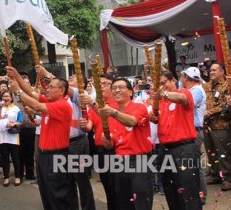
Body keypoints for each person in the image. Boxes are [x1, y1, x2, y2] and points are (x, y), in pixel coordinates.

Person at [7, 66, 78, 210]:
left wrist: (17, 91)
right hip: (44, 156)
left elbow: (36, 105)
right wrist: (17, 76)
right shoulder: (50, 102)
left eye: (51, 87)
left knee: (59, 195)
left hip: (57, 157)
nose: (48, 89)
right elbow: (32, 93)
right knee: (47, 193)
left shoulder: (62, 105)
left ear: (62, 91)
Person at [39, 67, 95, 210]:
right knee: (66, 181)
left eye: (73, 79)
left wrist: (47, 74)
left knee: (81, 179)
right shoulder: (57, 98)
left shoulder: (78, 96)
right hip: (62, 147)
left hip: (77, 145)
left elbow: (65, 87)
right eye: (69, 78)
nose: (70, 80)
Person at [149, 70, 201, 209]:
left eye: (163, 83)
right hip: (164, 150)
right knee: (170, 190)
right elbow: (153, 118)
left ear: (173, 80)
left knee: (188, 190)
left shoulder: (184, 92)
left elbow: (182, 99)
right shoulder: (159, 103)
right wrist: (152, 116)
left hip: (184, 149)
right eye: (158, 85)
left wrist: (163, 94)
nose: (161, 87)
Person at [100, 78, 153, 210]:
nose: (117, 90)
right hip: (120, 162)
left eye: (121, 87)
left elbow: (132, 121)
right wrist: (107, 142)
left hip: (140, 162)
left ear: (130, 92)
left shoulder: (139, 108)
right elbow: (111, 145)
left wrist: (113, 113)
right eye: (114, 88)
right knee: (123, 203)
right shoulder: (112, 115)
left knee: (141, 203)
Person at [79, 74, 119, 210]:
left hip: (114, 151)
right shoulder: (94, 107)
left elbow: (105, 115)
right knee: (107, 186)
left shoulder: (117, 104)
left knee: (117, 188)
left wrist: (91, 102)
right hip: (100, 151)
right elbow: (89, 126)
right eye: (99, 84)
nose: (101, 87)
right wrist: (84, 125)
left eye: (105, 84)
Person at [180, 67, 207, 204]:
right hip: (190, 131)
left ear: (186, 77)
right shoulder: (192, 90)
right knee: (192, 165)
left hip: (194, 131)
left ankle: (200, 196)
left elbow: (186, 103)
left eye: (182, 76)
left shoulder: (196, 91)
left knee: (194, 165)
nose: (180, 79)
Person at [203, 62, 231, 191]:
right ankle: (215, 175)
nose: (211, 72)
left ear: (222, 72)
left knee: (223, 153)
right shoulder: (205, 86)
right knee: (211, 152)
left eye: (214, 70)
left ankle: (227, 178)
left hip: (221, 124)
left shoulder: (227, 86)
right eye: (210, 70)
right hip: (207, 125)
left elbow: (226, 105)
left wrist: (211, 112)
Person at [0, 90, 23, 187]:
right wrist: (1, 108)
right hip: (2, 137)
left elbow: (21, 122)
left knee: (15, 157)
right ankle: (6, 177)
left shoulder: (16, 108)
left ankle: (17, 176)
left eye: (7, 96)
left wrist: (13, 124)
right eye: (4, 96)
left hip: (13, 136)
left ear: (11, 98)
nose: (5, 98)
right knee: (4, 158)